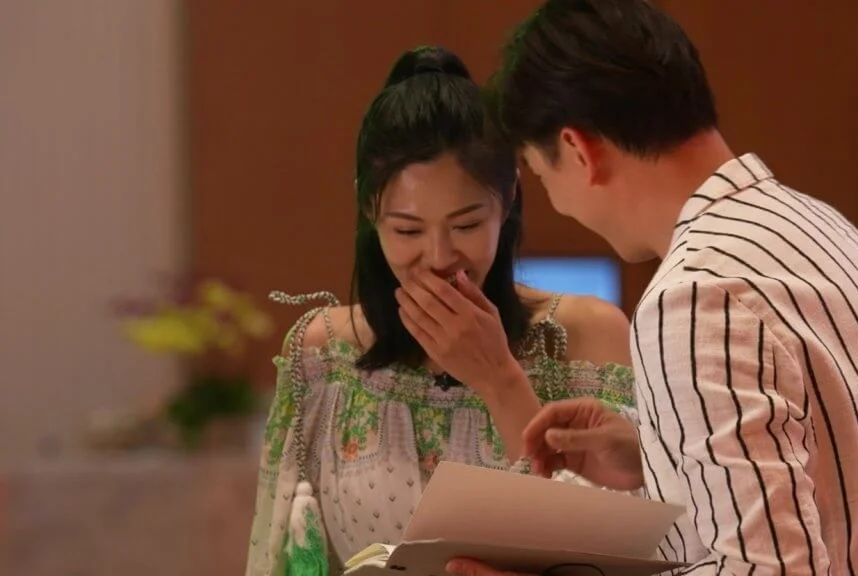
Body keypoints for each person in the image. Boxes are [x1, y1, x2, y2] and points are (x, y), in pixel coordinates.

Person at [447, 1, 858, 575]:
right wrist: (654, 454)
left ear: (579, 151)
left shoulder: (695, 295)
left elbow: (767, 569)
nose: (557, 201)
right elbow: (843, 473)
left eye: (541, 173)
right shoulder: (820, 225)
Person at [245, 45, 638, 576]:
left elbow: (614, 551)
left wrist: (499, 378)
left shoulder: (589, 336)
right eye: (407, 230)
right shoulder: (321, 353)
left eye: (467, 225)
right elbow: (282, 558)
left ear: (509, 198)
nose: (438, 257)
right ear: (369, 211)